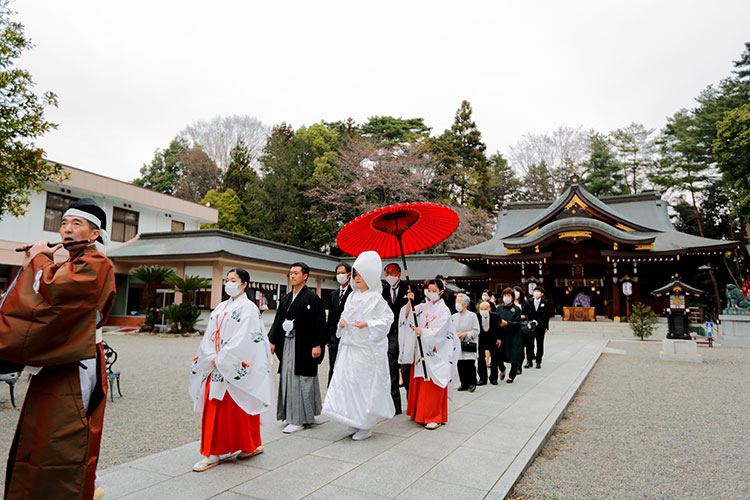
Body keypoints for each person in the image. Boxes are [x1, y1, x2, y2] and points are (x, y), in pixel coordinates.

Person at [0, 198, 116, 500]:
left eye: (76, 224)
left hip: (77, 357)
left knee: (64, 432)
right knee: (44, 431)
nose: (66, 229)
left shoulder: (96, 263)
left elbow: (57, 292)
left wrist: (39, 260)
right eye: (63, 223)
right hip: (60, 354)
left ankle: (73, 490)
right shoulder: (71, 262)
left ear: (94, 235)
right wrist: (35, 264)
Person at [189, 269, 275, 472]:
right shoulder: (220, 307)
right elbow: (210, 334)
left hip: (233, 362)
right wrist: (210, 355)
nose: (229, 283)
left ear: (244, 284)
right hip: (216, 362)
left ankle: (248, 446)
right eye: (227, 280)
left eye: (233, 280)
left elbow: (247, 337)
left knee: (241, 408)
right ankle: (212, 451)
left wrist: (224, 358)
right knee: (215, 407)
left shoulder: (249, 308)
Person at [322, 251, 395, 440]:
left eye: (360, 275)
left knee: (364, 385)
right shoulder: (352, 297)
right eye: (355, 275)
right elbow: (344, 316)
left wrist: (368, 324)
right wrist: (342, 323)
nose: (357, 278)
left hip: (366, 350)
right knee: (349, 383)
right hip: (350, 347)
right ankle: (353, 419)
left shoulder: (377, 298)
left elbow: (388, 320)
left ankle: (365, 424)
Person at [268, 262, 327, 433]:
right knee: (288, 377)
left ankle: (299, 419)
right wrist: (272, 341)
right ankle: (292, 415)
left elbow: (319, 323)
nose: (292, 276)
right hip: (288, 343)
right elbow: (277, 321)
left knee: (302, 379)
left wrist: (317, 344)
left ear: (305, 276)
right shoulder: (286, 298)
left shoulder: (312, 298)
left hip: (305, 345)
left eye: (296, 273)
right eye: (291, 273)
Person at [398, 279, 460, 430]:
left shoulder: (444, 310)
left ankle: (434, 416)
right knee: (420, 381)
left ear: (441, 292)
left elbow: (442, 332)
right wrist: (410, 302)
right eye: (428, 289)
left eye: (433, 290)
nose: (430, 293)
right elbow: (406, 316)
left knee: (433, 382)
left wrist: (423, 332)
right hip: (421, 351)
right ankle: (418, 413)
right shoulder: (421, 307)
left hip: (436, 353)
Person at [382, 262, 411, 414]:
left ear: (399, 273)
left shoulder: (409, 287)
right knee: (391, 370)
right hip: (390, 334)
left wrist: (412, 299)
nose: (390, 275)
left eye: (392, 272)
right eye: (387, 272)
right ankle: (395, 405)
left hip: (405, 333)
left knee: (406, 370)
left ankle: (412, 404)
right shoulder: (383, 290)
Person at [326, 263, 352, 384]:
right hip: (334, 339)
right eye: (338, 273)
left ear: (349, 275)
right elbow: (331, 317)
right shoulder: (333, 294)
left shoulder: (354, 293)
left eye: (342, 273)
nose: (340, 275)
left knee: (346, 368)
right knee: (333, 368)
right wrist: (328, 338)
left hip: (348, 337)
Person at [452, 293, 479, 392]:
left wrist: (466, 334)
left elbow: (476, 331)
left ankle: (472, 383)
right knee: (460, 364)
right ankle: (463, 383)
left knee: (469, 365)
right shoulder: (454, 316)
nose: (457, 304)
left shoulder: (472, 316)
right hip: (458, 343)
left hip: (469, 343)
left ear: (465, 304)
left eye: (459, 302)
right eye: (456, 302)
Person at [496, 288, 523, 383]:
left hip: (513, 335)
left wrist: (507, 323)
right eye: (504, 296)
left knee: (514, 355)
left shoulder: (516, 309)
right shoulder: (499, 308)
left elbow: (518, 323)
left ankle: (512, 375)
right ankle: (502, 369)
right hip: (502, 335)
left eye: (508, 296)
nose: (506, 298)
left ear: (512, 298)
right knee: (499, 355)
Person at [522, 286, 550, 369]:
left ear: (542, 294)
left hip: (540, 326)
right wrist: (530, 321)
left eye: (538, 291)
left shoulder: (545, 302)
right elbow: (526, 312)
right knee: (529, 344)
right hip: (530, 325)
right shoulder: (529, 301)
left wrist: (546, 326)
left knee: (540, 344)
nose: (536, 293)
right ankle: (529, 361)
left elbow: (546, 315)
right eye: (535, 291)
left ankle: (538, 361)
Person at [476, 301, 502, 385]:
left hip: (492, 339)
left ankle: (493, 378)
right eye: (481, 309)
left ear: (489, 309)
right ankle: (482, 378)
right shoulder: (476, 316)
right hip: (481, 339)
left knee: (494, 359)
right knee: (480, 359)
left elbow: (499, 328)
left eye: (485, 309)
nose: (483, 310)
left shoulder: (496, 316)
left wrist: (499, 338)